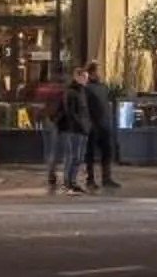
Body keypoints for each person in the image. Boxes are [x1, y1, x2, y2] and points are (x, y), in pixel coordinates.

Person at [48, 68, 89, 194]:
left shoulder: (80, 91)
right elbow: (71, 112)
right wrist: (81, 125)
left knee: (77, 157)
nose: (86, 80)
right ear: (77, 77)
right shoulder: (71, 92)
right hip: (73, 129)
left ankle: (71, 181)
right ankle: (69, 182)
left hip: (80, 129)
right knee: (72, 156)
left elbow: (82, 111)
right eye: (84, 78)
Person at [81, 63, 119, 191]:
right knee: (90, 153)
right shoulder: (86, 88)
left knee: (107, 152)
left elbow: (107, 104)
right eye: (97, 71)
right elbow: (85, 107)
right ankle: (90, 179)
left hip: (104, 123)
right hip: (93, 125)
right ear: (91, 73)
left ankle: (106, 178)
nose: (99, 74)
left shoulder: (103, 87)